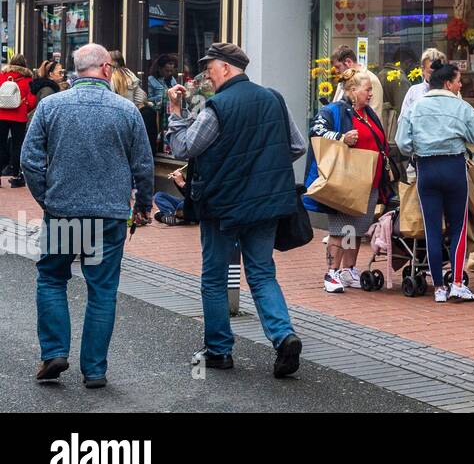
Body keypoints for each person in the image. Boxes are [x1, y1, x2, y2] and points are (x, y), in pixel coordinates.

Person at [164, 42, 306, 378]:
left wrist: (175, 111)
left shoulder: (218, 107)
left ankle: (219, 350)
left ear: (226, 68)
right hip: (265, 203)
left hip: (222, 206)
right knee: (261, 273)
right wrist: (262, 171)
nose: (208, 76)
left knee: (214, 278)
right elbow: (297, 146)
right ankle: (284, 336)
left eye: (210, 68)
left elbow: (185, 146)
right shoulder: (273, 98)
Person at [21, 43, 154, 388]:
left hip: (63, 212)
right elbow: (143, 166)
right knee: (102, 290)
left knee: (52, 279)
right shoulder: (127, 111)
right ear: (107, 68)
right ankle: (94, 369)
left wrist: (47, 199)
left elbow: (30, 160)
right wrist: (141, 207)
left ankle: (54, 353)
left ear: (76, 70)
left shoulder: (51, 106)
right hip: (108, 217)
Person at [396, 62, 474, 303]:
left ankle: (438, 288)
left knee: (432, 229)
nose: (460, 85)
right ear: (448, 83)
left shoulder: (415, 107)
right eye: (458, 81)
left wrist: (418, 149)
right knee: (458, 227)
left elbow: (402, 142)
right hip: (454, 168)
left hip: (426, 169)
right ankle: (456, 283)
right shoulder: (461, 106)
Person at [307, 69, 389, 293]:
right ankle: (331, 273)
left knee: (355, 229)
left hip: (368, 181)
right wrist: (341, 138)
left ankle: (348, 269)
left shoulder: (368, 113)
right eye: (368, 89)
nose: (371, 94)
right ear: (352, 91)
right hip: (346, 181)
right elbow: (315, 131)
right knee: (340, 229)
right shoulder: (334, 110)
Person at [331, 44, 386, 133]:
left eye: (338, 67)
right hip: (342, 138)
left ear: (348, 62)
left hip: (362, 138)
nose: (336, 71)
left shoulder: (371, 80)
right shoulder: (343, 80)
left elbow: (375, 115)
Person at [0, 54, 36, 188]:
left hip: (1, 115)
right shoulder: (27, 79)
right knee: (17, 146)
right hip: (19, 116)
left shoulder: (2, 76)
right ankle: (16, 177)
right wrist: (24, 108)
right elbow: (32, 100)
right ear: (24, 65)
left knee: (1, 144)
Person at [399, 47, 448, 119]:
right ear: (423, 70)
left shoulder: (451, 91)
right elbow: (403, 120)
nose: (435, 76)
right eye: (430, 73)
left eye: (438, 72)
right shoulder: (414, 92)